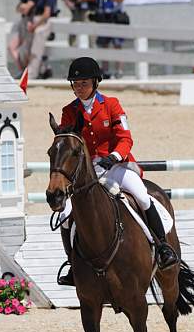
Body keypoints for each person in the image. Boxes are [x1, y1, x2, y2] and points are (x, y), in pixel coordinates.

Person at [55, 57, 179, 286]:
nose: (79, 88)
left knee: (142, 196)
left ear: (95, 82)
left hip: (115, 166)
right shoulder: (68, 112)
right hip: (86, 174)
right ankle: (73, 264)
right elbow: (67, 144)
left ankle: (162, 248)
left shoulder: (112, 105)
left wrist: (114, 156)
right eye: (75, 83)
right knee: (65, 214)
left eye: (83, 83)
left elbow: (125, 138)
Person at [8, 0, 41, 75]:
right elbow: (18, 8)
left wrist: (23, 7)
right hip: (23, 23)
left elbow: (26, 9)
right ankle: (21, 70)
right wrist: (23, 7)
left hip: (30, 23)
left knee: (27, 51)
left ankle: (26, 72)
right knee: (11, 47)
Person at [95, 0, 126, 78]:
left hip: (115, 16)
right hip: (104, 16)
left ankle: (119, 71)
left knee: (117, 44)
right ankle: (105, 70)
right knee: (104, 44)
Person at [26, 0, 56, 79]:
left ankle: (32, 75)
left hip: (42, 23)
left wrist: (35, 25)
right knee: (32, 49)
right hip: (37, 22)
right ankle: (40, 71)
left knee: (36, 50)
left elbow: (46, 14)